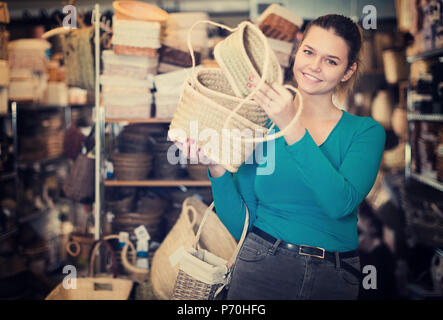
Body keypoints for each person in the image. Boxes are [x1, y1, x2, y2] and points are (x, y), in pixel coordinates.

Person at [175, 14, 386, 300]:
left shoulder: (365, 132)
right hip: (262, 266)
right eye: (309, 52)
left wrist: (291, 125)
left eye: (331, 60)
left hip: (334, 277)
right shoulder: (262, 128)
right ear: (297, 50)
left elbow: (340, 204)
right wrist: (216, 167)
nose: (314, 66)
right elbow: (242, 224)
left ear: (348, 71)